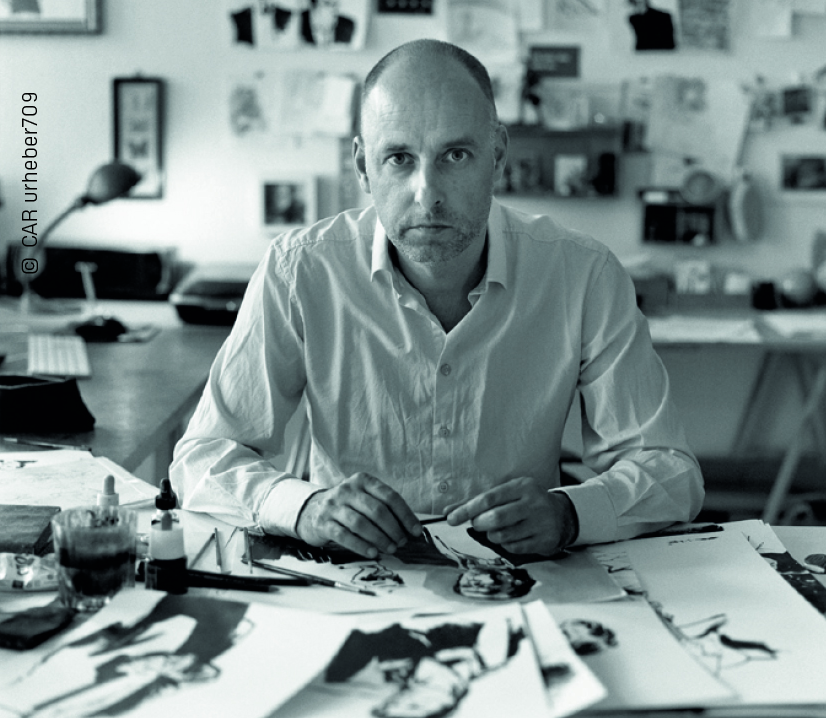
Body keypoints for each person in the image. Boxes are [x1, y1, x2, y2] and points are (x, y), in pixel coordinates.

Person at [170, 38, 703, 561]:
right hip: (350, 577)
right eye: (399, 158)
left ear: (497, 155)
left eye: (456, 155)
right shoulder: (299, 270)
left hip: (522, 577)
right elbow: (203, 457)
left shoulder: (583, 274)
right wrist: (305, 508)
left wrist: (569, 514)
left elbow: (671, 472)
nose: (428, 193)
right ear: (362, 167)